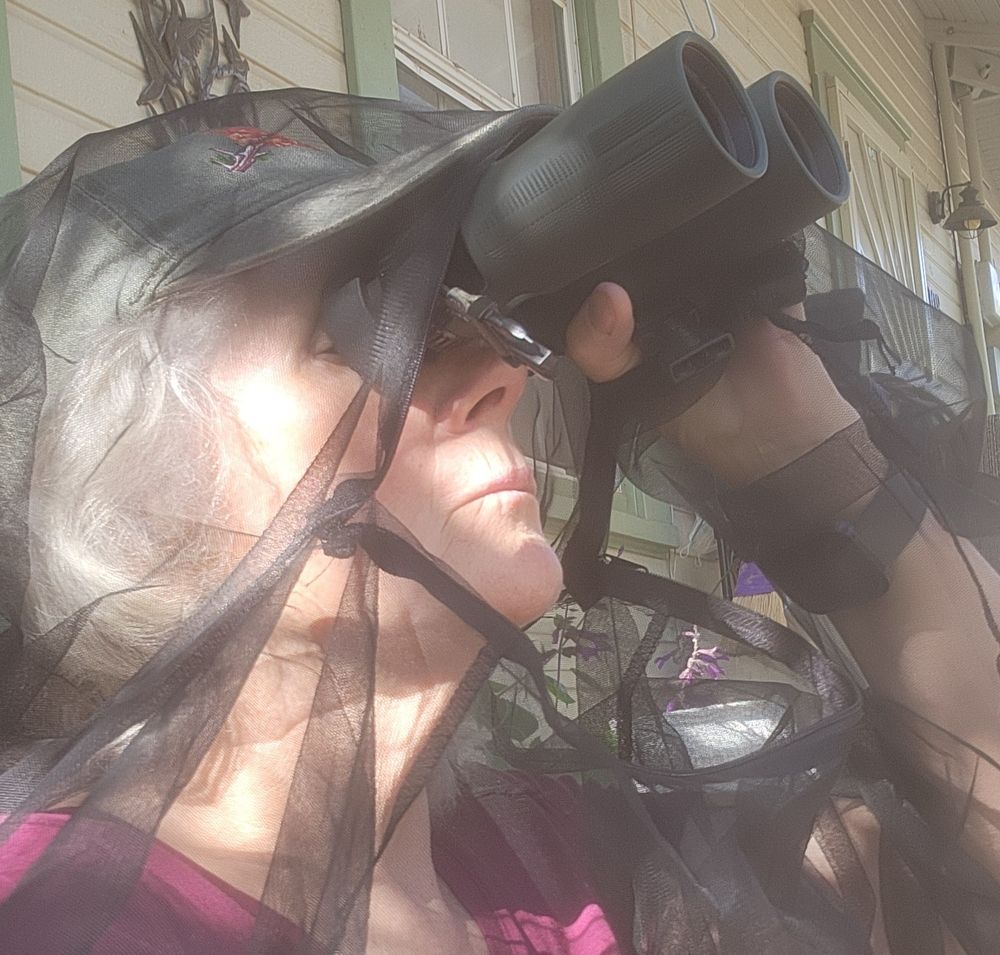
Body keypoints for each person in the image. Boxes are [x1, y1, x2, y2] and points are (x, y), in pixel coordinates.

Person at [0, 90, 998, 955]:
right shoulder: (61, 922)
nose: (503, 373)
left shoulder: (595, 867)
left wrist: (819, 471)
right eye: (367, 330)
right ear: (141, 489)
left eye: (464, 313)